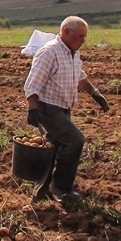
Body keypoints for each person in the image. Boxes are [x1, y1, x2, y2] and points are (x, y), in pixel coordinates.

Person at [24, 15, 110, 202]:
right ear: (66, 32)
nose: (83, 40)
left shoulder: (73, 52)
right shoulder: (49, 52)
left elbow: (79, 76)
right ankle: (61, 187)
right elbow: (32, 84)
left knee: (56, 148)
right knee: (74, 141)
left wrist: (95, 94)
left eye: (85, 36)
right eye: (80, 36)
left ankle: (42, 193)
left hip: (63, 109)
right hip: (48, 108)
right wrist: (33, 109)